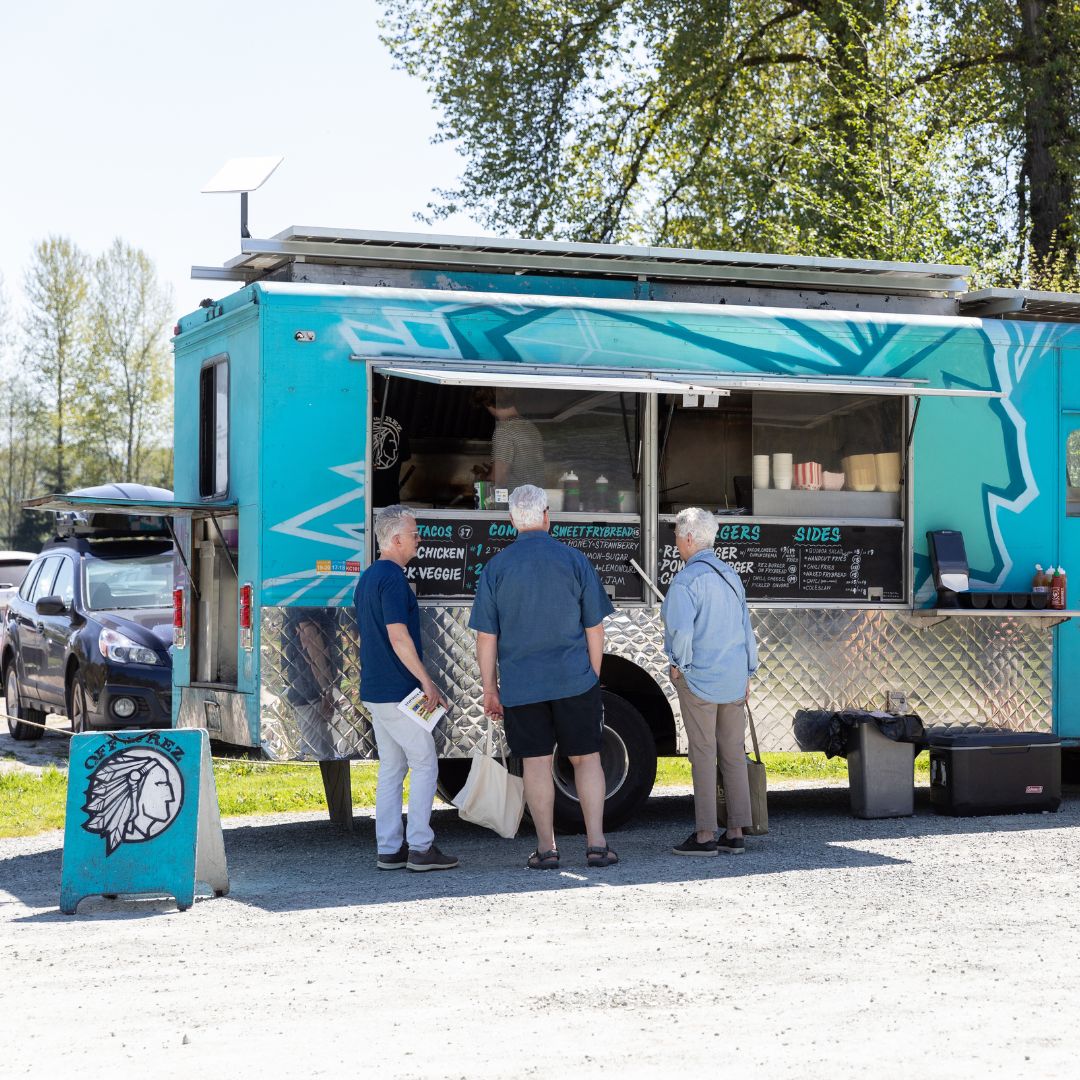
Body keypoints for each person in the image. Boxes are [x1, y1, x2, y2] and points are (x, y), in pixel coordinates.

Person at [469, 484, 618, 870]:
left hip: (521, 686)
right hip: (574, 681)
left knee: (535, 765)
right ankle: (597, 845)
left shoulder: (496, 568)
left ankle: (547, 849)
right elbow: (595, 628)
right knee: (586, 760)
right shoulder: (574, 560)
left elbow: (486, 637)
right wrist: (592, 677)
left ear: (513, 521)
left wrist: (489, 688)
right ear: (547, 515)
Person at [354, 505, 458, 872]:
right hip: (399, 692)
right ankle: (420, 847)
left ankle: (389, 848)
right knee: (425, 763)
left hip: (376, 690)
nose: (419, 538)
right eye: (414, 533)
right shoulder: (394, 580)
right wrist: (426, 681)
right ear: (396, 539)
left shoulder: (368, 578)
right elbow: (398, 637)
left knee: (392, 769)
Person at [661, 506, 758, 856]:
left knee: (703, 754)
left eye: (676, 537)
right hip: (733, 679)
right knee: (732, 752)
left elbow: (681, 631)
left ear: (688, 539)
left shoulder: (686, 580)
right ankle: (735, 831)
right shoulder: (731, 576)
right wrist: (749, 671)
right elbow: (746, 627)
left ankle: (704, 834)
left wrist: (678, 665)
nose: (675, 543)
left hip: (699, 679)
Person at [475, 388, 545, 491]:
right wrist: (493, 470)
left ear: (487, 403)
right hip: (532, 503)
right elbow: (524, 470)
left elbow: (498, 479)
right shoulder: (531, 427)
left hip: (515, 504)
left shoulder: (504, 430)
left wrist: (481, 477)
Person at [371, 381, 411, 507]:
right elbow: (405, 455)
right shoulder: (397, 415)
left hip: (363, 499)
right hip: (390, 499)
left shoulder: (356, 417)